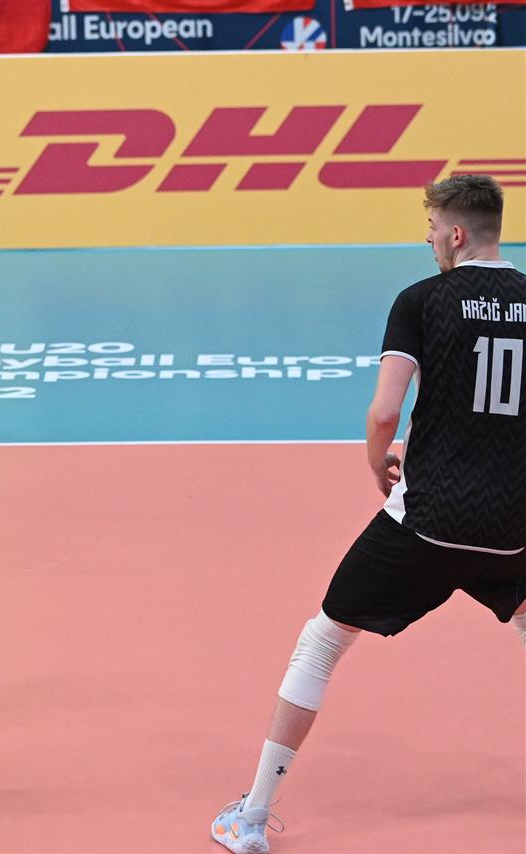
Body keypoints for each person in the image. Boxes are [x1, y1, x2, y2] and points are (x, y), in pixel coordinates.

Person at [211, 174, 526, 853]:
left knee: (324, 640)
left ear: (456, 234)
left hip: (427, 522)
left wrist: (377, 462)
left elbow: (385, 411)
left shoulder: (421, 300)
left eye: (432, 230)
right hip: (513, 528)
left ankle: (252, 819)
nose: (428, 240)